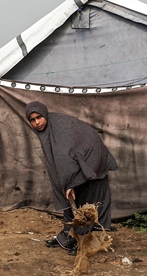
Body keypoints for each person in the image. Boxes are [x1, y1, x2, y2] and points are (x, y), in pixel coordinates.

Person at [24, 101, 118, 254]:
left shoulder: (58, 127)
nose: (37, 123)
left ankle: (83, 243)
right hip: (78, 165)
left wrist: (70, 184)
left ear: (44, 114)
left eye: (39, 117)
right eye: (32, 120)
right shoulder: (49, 129)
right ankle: (69, 237)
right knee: (70, 201)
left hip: (91, 162)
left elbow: (66, 158)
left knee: (86, 203)